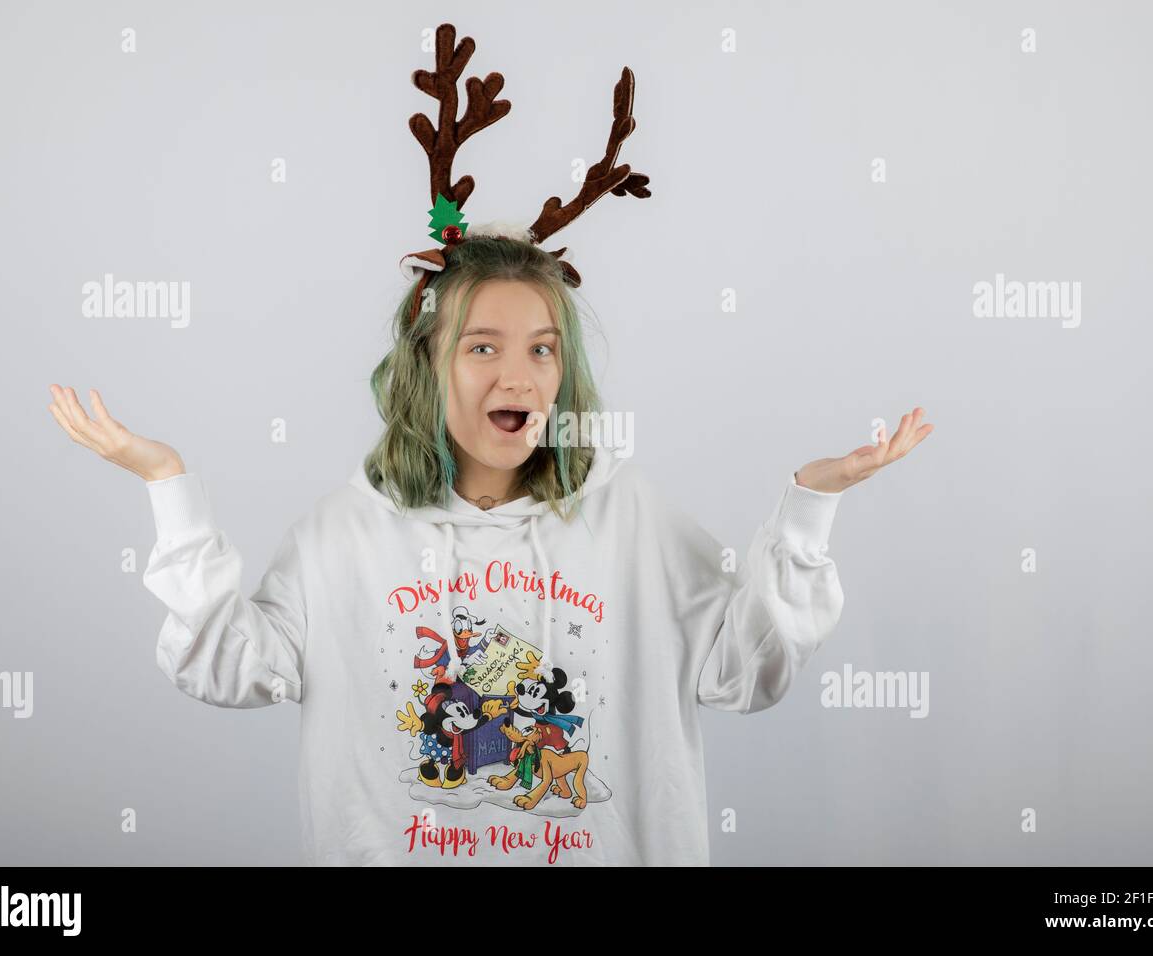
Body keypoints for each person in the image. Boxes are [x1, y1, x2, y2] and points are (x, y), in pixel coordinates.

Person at [45, 23, 933, 864]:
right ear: (428, 366)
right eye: (483, 348)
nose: (520, 378)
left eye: (543, 349)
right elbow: (223, 666)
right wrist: (168, 485)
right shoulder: (343, 536)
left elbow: (752, 671)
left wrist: (811, 507)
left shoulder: (628, 521)